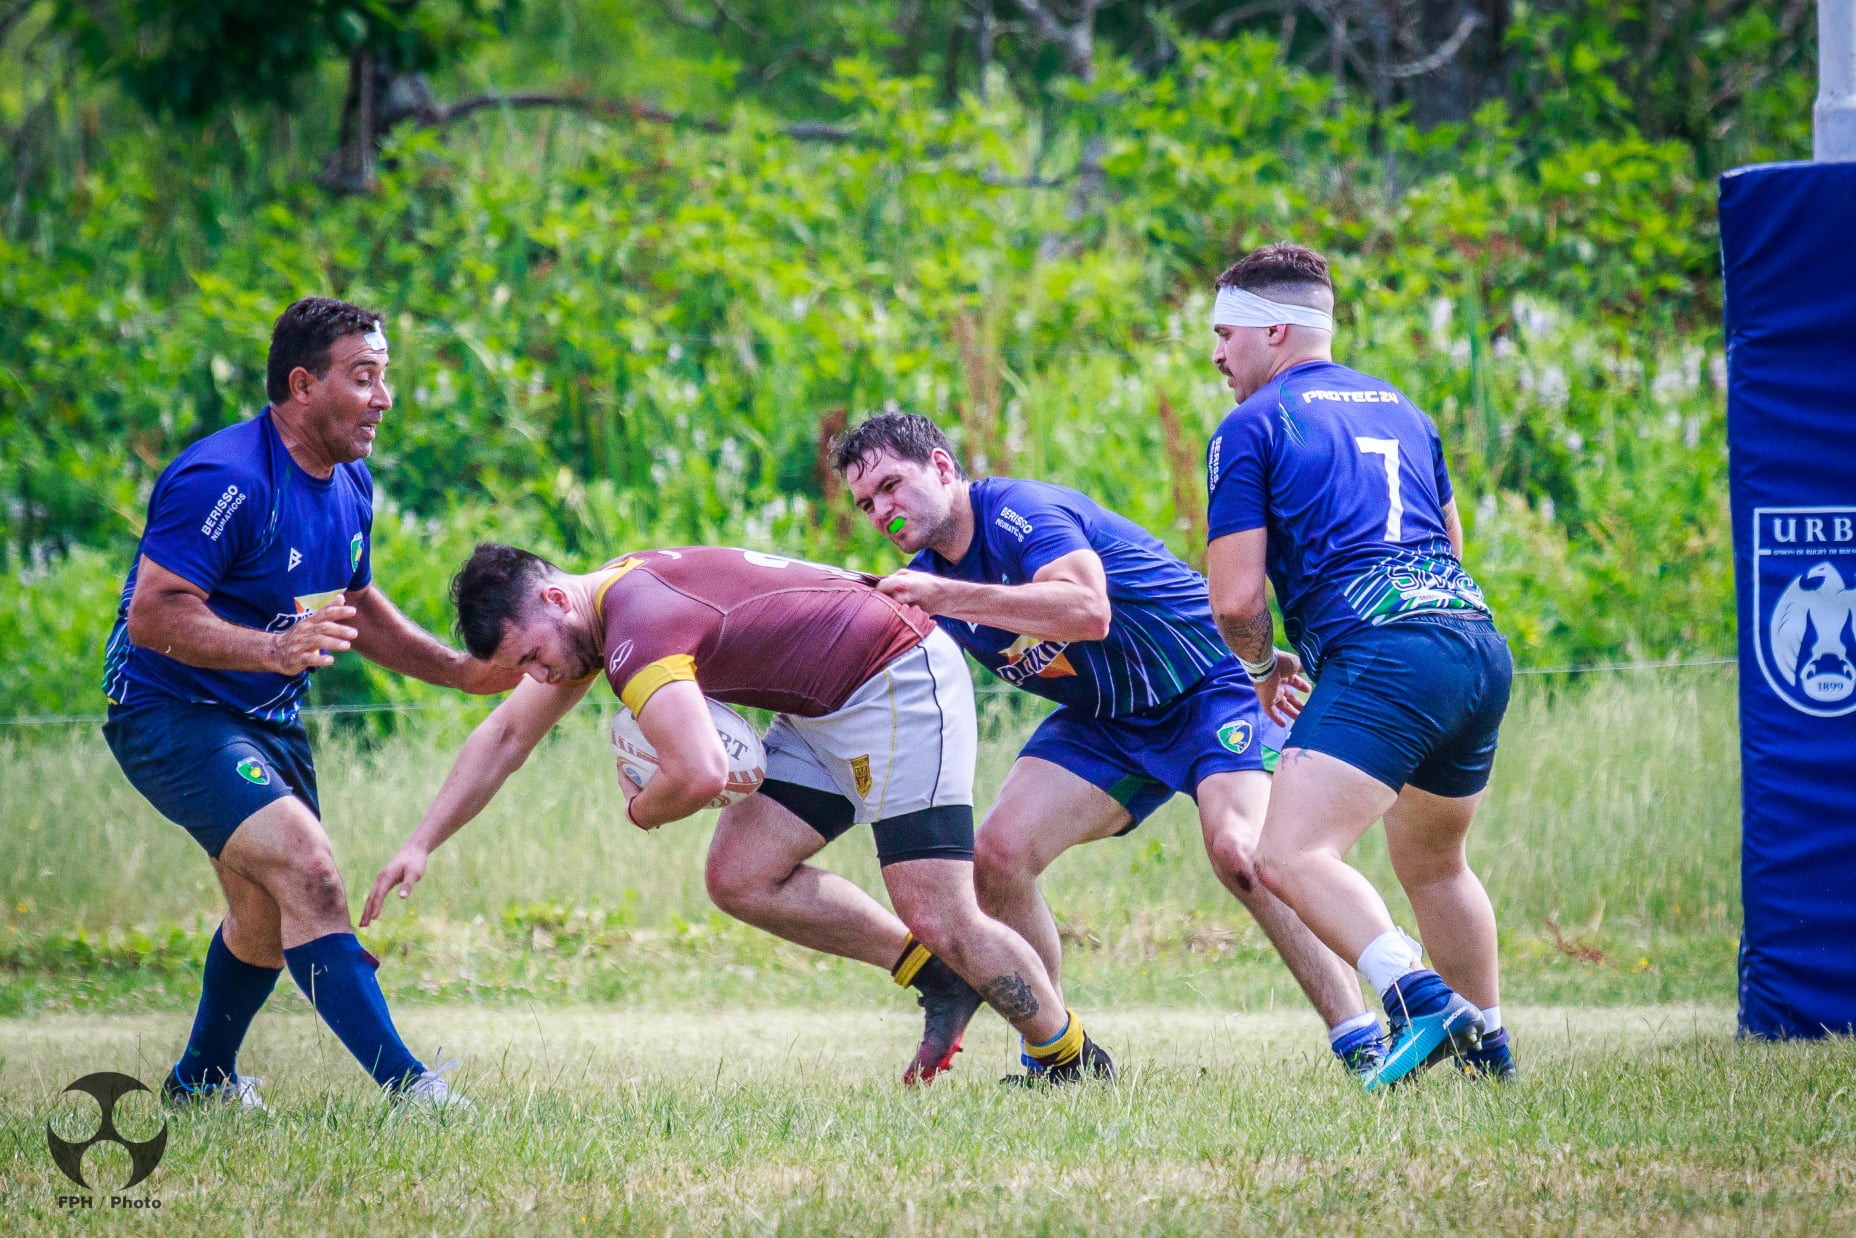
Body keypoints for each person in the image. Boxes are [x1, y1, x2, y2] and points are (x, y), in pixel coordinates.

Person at [362, 543, 1114, 1085]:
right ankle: (939, 979)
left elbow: (700, 771)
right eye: (523, 668)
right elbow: (503, 735)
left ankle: (1070, 1058)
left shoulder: (635, 628)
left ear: (556, 600)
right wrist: (420, 842)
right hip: (826, 704)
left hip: (897, 676)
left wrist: (642, 810)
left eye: (531, 656)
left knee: (939, 907)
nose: (539, 675)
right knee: (740, 873)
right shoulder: (601, 614)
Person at [833, 413, 1386, 1079]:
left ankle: (1362, 1041)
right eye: (867, 503)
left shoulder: (1016, 512)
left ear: (944, 468)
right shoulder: (925, 586)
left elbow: (1088, 610)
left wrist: (944, 595)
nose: (882, 510)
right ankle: (1058, 1054)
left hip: (1207, 687)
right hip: (1107, 722)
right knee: (998, 855)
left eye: (892, 485)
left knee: (1242, 854)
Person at [101, 296, 517, 1109]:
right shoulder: (223, 479)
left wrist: (458, 671)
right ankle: (413, 1091)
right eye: (364, 379)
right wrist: (270, 649)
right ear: (302, 384)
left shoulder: (351, 482)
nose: (384, 399)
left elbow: (352, 605)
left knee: (262, 917)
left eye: (384, 378)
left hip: (268, 723)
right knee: (310, 871)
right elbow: (154, 615)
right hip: (170, 714)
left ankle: (200, 1083)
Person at [1201, 242, 1516, 1089]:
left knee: (1288, 855)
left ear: (1276, 331)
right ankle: (1490, 1056)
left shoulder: (1251, 425)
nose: (1216, 354)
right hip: (1475, 644)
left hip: (1386, 654)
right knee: (1434, 864)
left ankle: (1415, 996)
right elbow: (1449, 546)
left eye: (1226, 333)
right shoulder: (1405, 411)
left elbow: (1232, 600)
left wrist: (1266, 667)